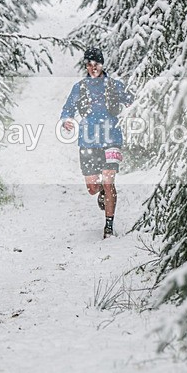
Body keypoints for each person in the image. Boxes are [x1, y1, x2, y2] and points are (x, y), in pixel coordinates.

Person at [60, 47, 133, 239]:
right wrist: (66, 120)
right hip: (88, 141)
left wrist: (131, 107)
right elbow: (67, 109)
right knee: (93, 187)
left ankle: (108, 227)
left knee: (108, 180)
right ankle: (101, 190)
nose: (93, 68)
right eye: (89, 65)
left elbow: (133, 101)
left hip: (112, 140)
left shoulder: (115, 85)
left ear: (102, 64)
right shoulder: (80, 87)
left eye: (96, 64)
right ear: (86, 66)